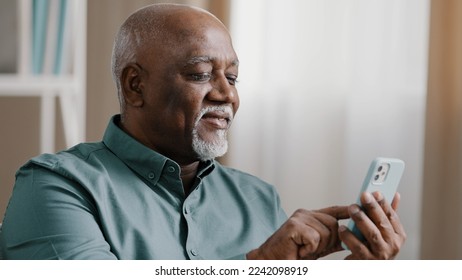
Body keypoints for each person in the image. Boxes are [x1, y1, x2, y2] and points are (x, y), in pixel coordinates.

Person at [0, 3, 405, 260]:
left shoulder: (259, 199)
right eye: (200, 74)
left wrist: (358, 267)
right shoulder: (55, 186)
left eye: (233, 77)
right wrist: (259, 268)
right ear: (134, 86)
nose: (227, 94)